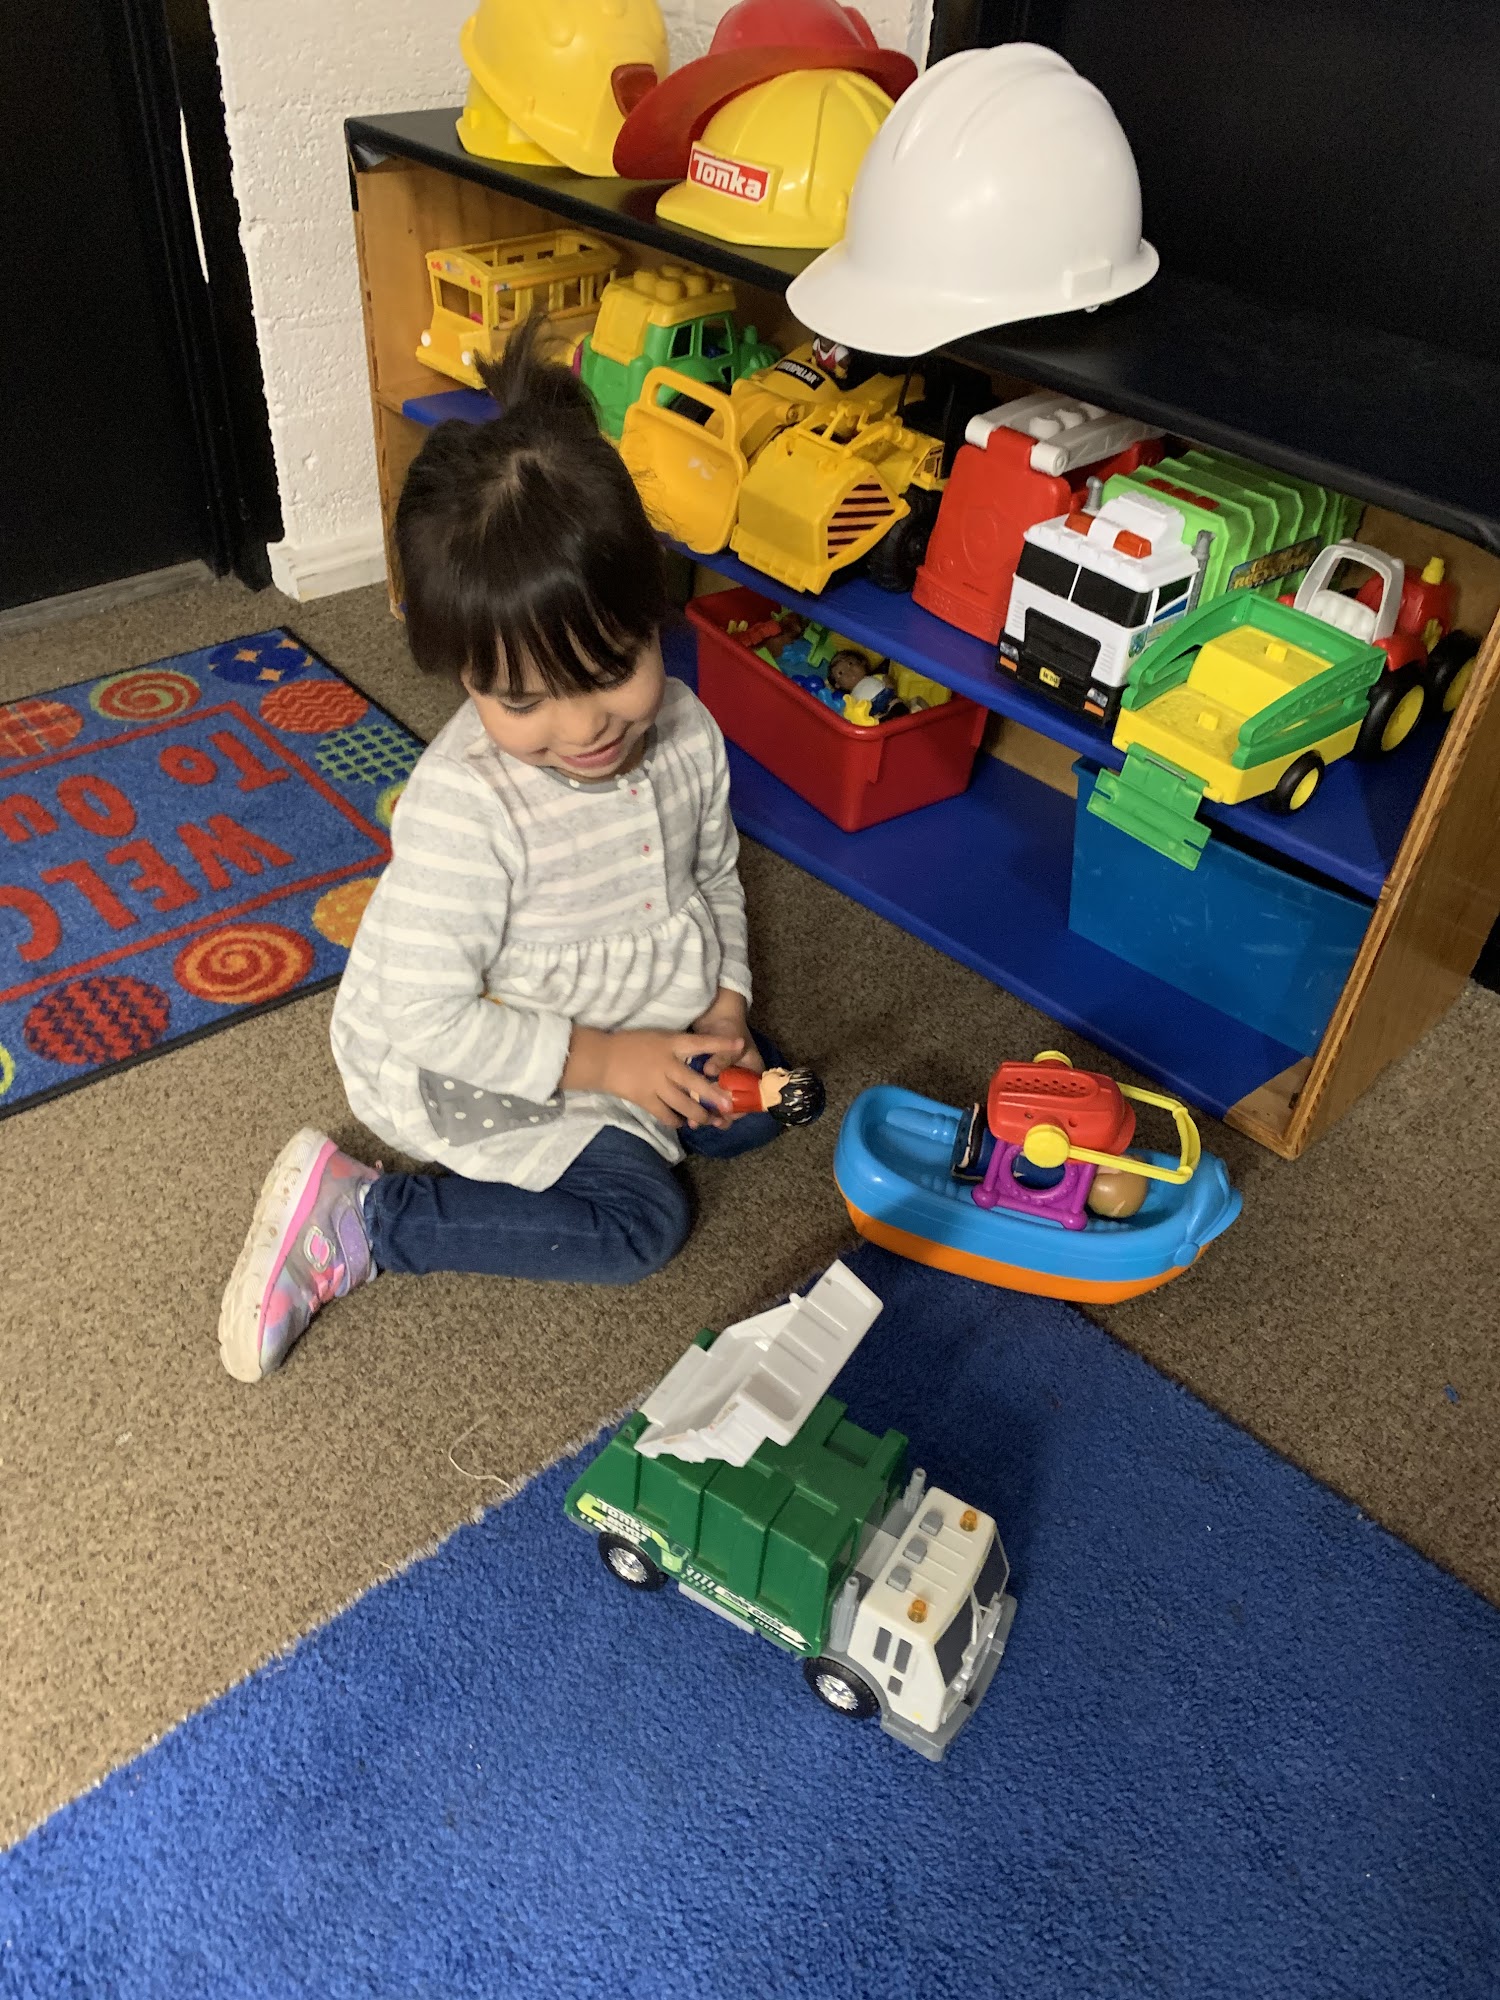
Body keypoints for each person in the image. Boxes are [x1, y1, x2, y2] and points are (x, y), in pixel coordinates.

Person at [218, 318, 789, 1383]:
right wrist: (610, 1064)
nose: (584, 727)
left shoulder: (689, 732)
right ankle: (366, 1217)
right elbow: (429, 1015)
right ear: (464, 676)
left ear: (654, 611)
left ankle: (666, 1069)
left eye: (610, 667)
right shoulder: (466, 809)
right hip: (481, 1052)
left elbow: (713, 875)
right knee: (642, 1223)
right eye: (523, 700)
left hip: (633, 1008)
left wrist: (726, 1006)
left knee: (754, 1108)